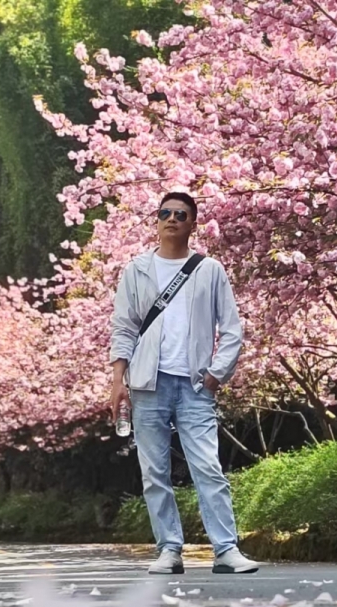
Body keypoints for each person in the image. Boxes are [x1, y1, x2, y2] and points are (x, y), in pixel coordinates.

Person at [110, 192, 259, 575]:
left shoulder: (209, 270)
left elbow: (232, 329)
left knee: (207, 467)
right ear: (157, 220)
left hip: (194, 385)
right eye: (165, 213)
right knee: (154, 472)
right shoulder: (137, 270)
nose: (172, 219)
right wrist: (118, 381)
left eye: (180, 214)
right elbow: (124, 328)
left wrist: (216, 374)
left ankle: (226, 550)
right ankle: (169, 550)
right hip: (147, 385)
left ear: (193, 223)